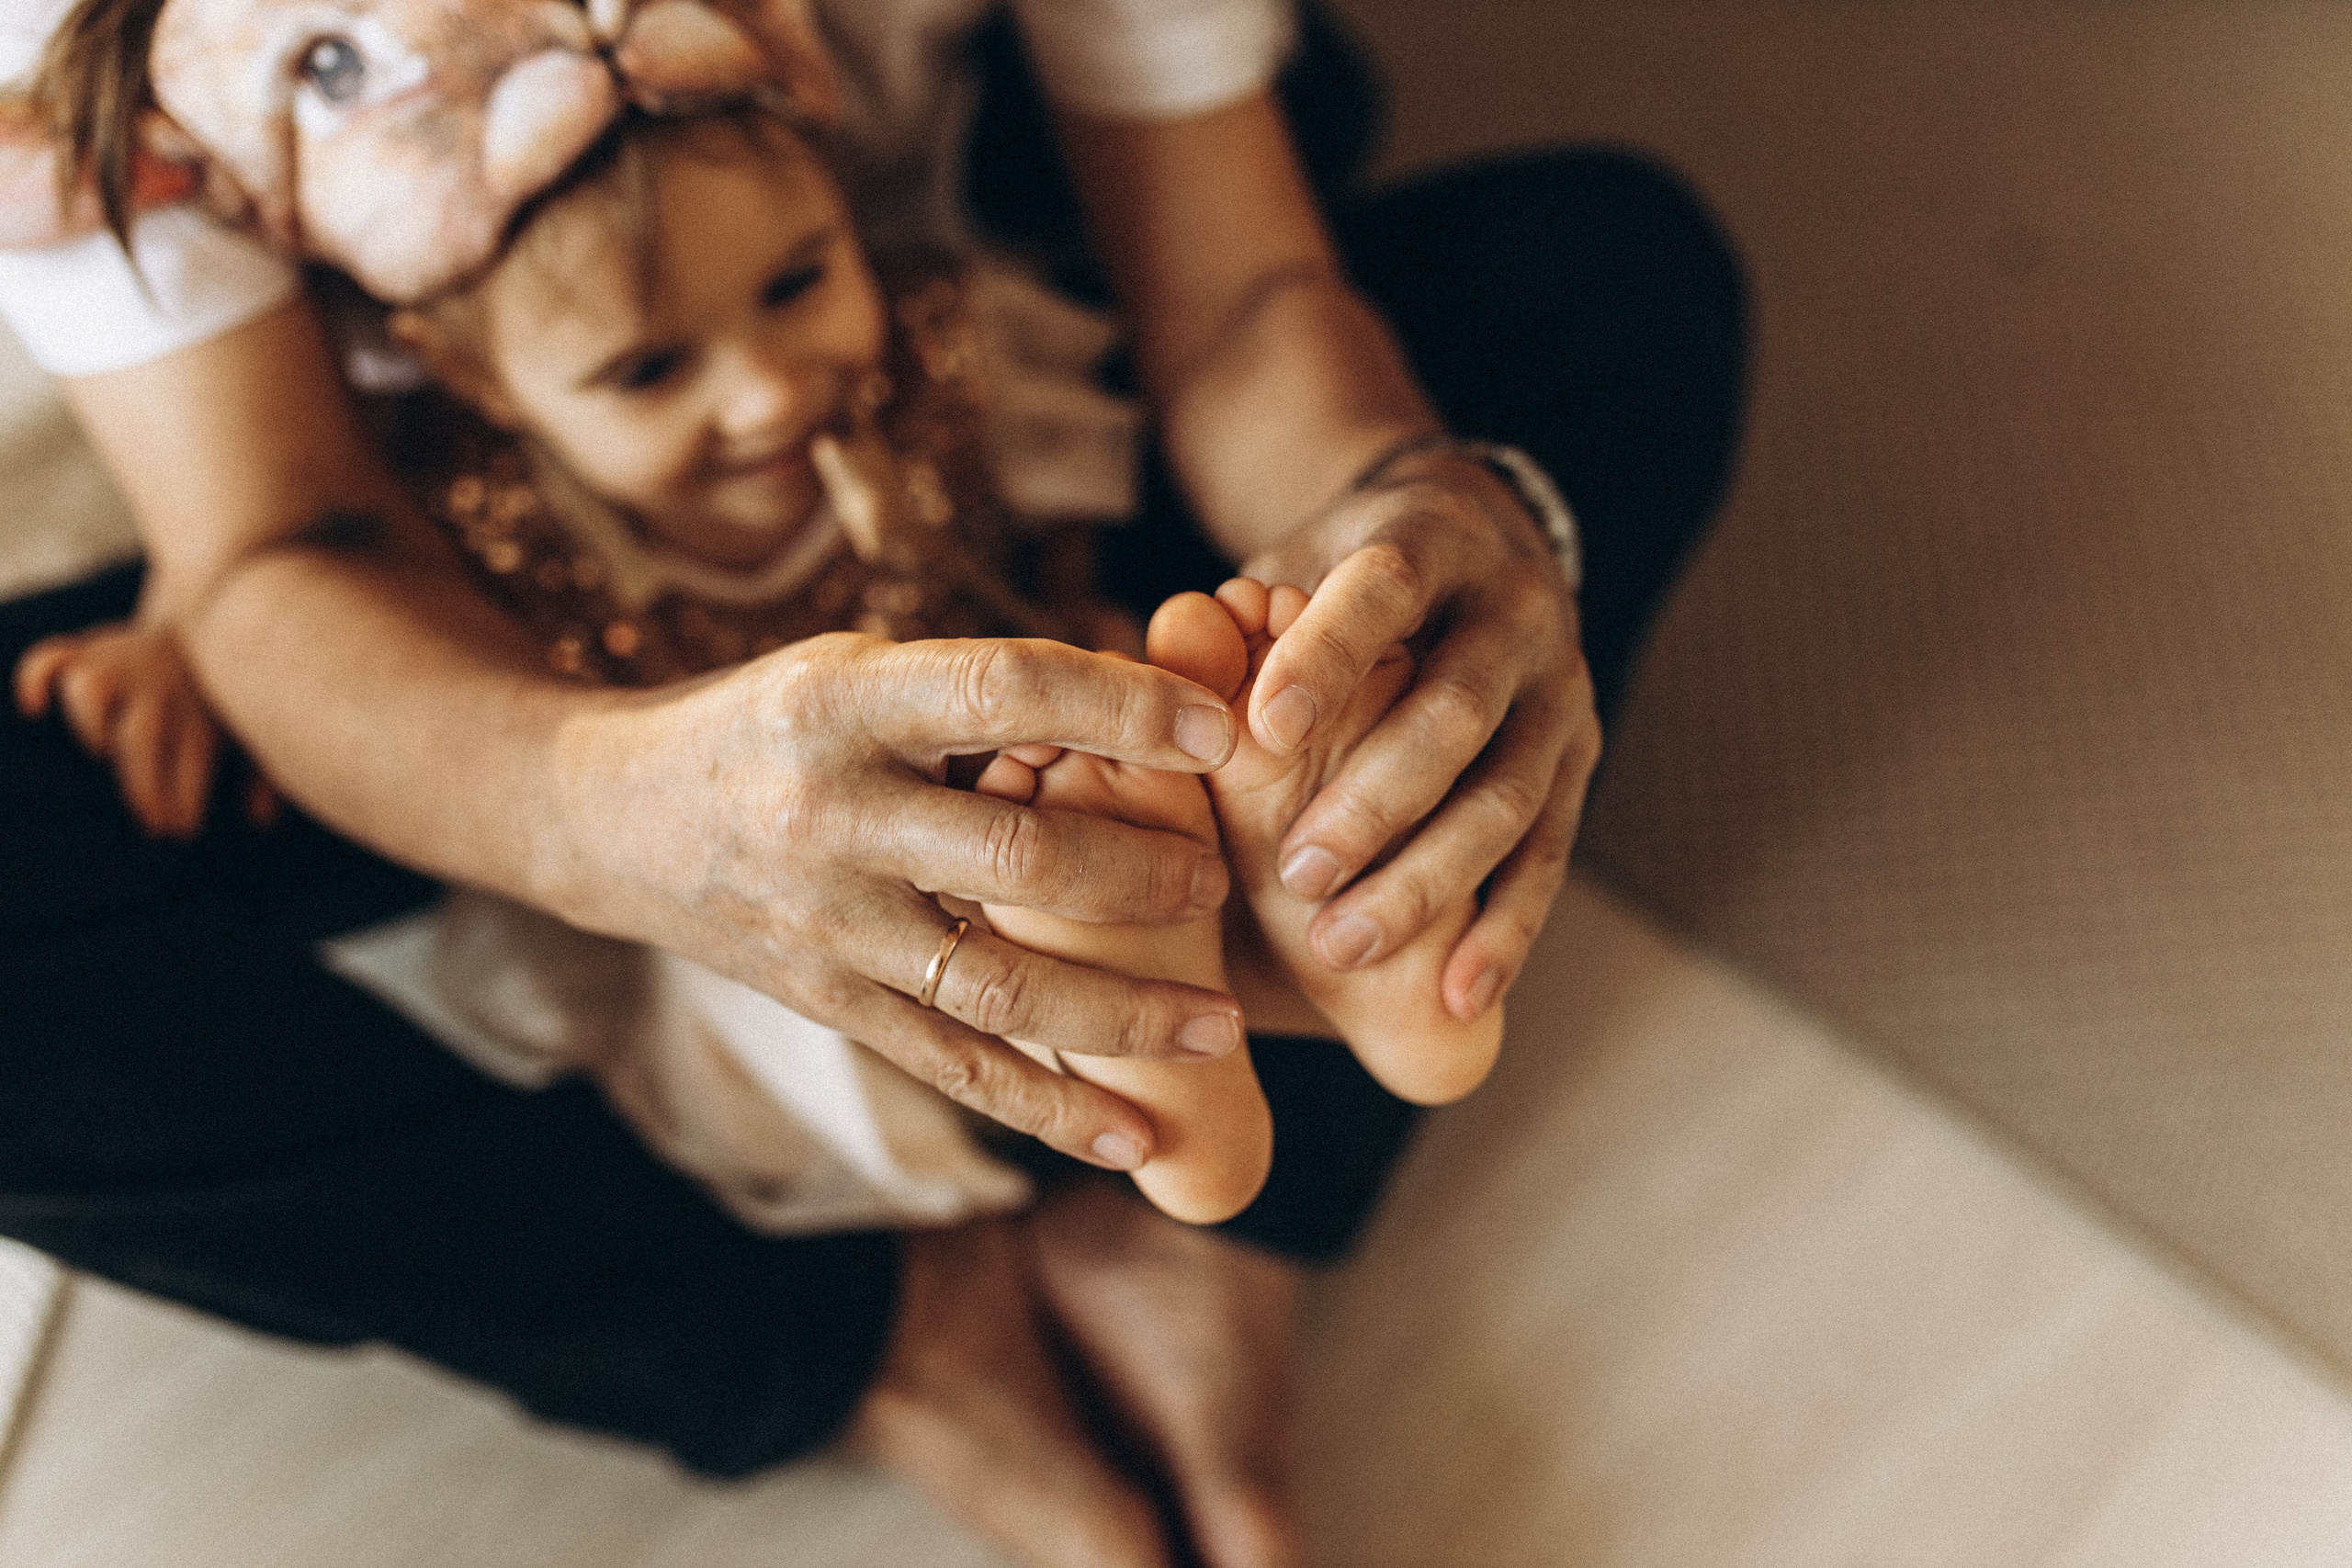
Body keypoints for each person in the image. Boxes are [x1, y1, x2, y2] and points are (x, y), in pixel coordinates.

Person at [0, 2, 1747, 1564]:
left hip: (957, 466)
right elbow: (281, 542)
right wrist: (599, 810)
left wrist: (1408, 538)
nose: (756, 394)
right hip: (495, 607)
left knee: (1610, 286)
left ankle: (1270, 1057)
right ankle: (886, 1339)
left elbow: (1236, 297)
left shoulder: (919, 341)